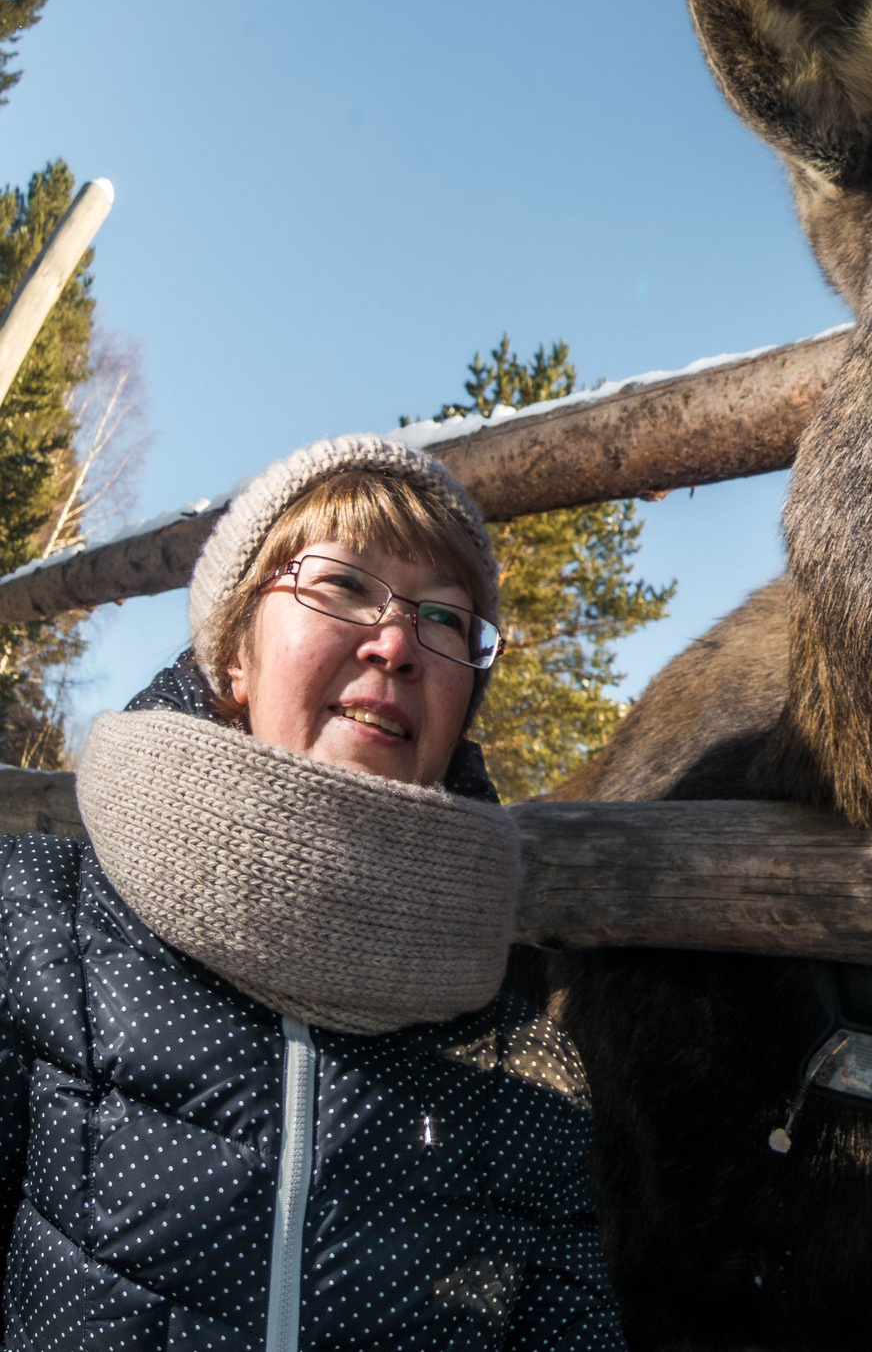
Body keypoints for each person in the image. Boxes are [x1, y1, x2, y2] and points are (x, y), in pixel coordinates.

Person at [0, 434, 624, 1350]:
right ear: (236, 654)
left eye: (446, 620)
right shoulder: (31, 929)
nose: (398, 642)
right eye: (342, 585)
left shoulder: (525, 1061)